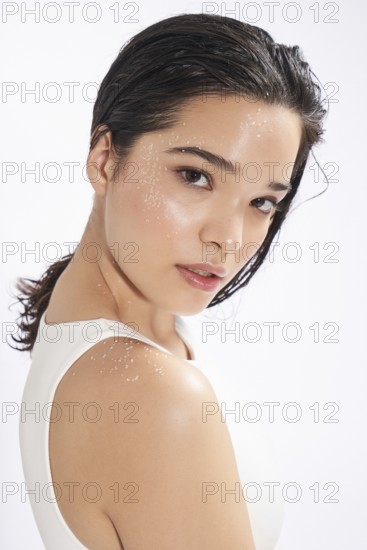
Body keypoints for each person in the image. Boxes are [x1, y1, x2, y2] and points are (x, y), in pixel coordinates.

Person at [10, 12, 327, 550]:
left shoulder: (103, 314)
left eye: (262, 202)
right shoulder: (152, 395)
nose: (228, 239)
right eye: (196, 176)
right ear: (106, 159)